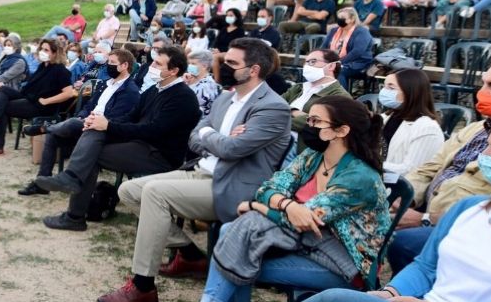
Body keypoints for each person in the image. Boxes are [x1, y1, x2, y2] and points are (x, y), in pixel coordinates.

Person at [309, 115, 491, 302]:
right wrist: (391, 293)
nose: (482, 157)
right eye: (486, 146)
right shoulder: (469, 209)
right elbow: (427, 268)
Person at [100, 39, 292, 302]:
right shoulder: (226, 98)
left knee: (155, 193)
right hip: (201, 171)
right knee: (129, 190)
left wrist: (210, 135)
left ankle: (143, 286)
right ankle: (190, 255)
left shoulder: (272, 107)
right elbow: (194, 137)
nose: (223, 67)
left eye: (232, 63)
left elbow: (232, 150)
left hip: (235, 187)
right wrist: (214, 135)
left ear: (254, 69)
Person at [198, 96, 392, 302]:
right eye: (309, 120)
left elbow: (303, 221)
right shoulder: (314, 156)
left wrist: (256, 206)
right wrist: (287, 205)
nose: (308, 126)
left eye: (316, 121)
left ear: (341, 131)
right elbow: (269, 188)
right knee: (233, 238)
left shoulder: (359, 177)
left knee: (237, 250)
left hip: (345, 265)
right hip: (307, 244)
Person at [389, 57, 491, 271]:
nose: (482, 93)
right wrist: (405, 198)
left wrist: (426, 219)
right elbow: (431, 166)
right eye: (483, 83)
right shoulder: (477, 128)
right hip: (425, 210)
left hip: (471, 229)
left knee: (403, 243)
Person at [29, 48, 200, 230]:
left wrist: (109, 125)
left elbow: (153, 130)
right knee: (94, 132)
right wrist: (100, 122)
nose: (151, 66)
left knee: (91, 154)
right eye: (153, 62)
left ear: (174, 71)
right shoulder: (155, 90)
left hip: (159, 154)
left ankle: (74, 210)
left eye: (158, 63)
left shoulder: (182, 97)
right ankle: (72, 193)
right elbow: (131, 116)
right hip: (140, 145)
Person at [0, 39, 72, 155]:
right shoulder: (43, 66)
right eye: (41, 49)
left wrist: (47, 101)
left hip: (41, 106)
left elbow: (69, 93)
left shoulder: (60, 70)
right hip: (29, 97)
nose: (42, 52)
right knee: (3, 89)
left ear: (55, 53)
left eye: (46, 50)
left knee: (3, 108)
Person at [378, 69, 444, 175]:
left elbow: (412, 170)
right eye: (384, 87)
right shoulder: (387, 117)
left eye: (391, 88)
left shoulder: (427, 128)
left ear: (410, 91)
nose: (384, 92)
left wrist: (370, 165)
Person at [282, 49, 351, 133]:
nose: (306, 66)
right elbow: (274, 105)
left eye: (312, 62)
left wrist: (287, 113)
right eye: (306, 62)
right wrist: (295, 112)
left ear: (331, 66)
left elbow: (318, 123)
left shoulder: (340, 96)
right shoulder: (298, 87)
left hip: (299, 141)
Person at [321, 7, 375, 91]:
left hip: (357, 62)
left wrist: (338, 62)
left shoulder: (361, 32)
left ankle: (341, 98)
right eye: (338, 18)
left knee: (338, 71)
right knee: (315, 69)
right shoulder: (334, 30)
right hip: (334, 62)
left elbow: (357, 52)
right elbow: (324, 48)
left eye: (342, 18)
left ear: (352, 19)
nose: (339, 20)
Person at [185, 49, 221, 117]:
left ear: (204, 66)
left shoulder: (206, 86)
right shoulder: (192, 79)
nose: (189, 66)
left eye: (193, 63)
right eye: (189, 63)